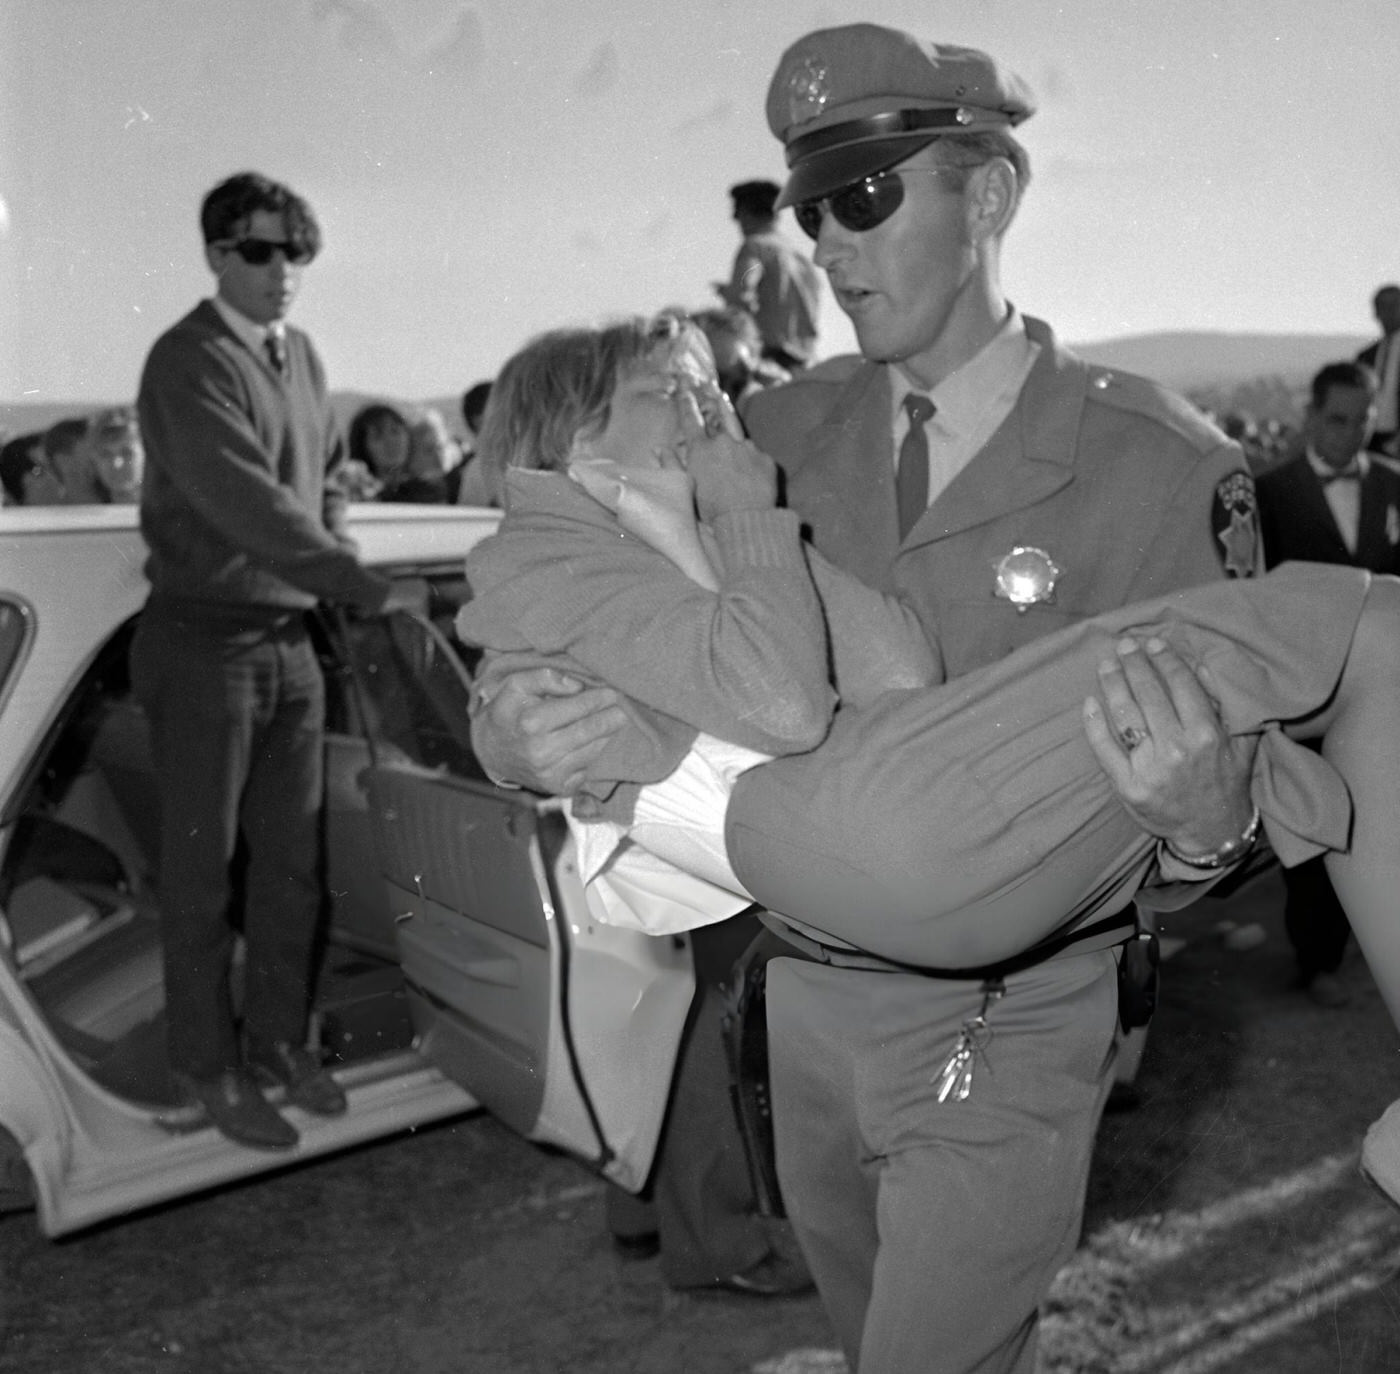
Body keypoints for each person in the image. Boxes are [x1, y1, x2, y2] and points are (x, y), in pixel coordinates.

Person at [469, 28, 1272, 1372]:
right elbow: (560, 602)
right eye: (808, 210)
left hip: (1010, 1005)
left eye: (868, 198)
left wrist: (1207, 826)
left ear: (991, 196)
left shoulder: (1157, 464)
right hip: (805, 1009)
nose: (830, 249)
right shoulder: (758, 439)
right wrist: (511, 734)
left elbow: (1233, 786)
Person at [132, 171, 423, 1153]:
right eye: (259, 250)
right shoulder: (187, 360)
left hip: (288, 647)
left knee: (292, 873)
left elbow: (317, 490)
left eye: (295, 252)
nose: (282, 271)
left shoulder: (298, 358)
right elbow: (247, 502)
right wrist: (355, 582)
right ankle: (205, 1066)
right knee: (199, 875)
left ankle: (278, 1047)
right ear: (217, 254)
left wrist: (335, 549)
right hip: (202, 644)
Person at [1256, 361, 1400, 1009]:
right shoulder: (1268, 493)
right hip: (1305, 697)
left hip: (1389, 693)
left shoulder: (1396, 486)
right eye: (1340, 419)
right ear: (1312, 416)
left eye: (1365, 421)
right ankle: (1317, 958)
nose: (1352, 433)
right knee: (1315, 830)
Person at [713, 179, 821, 371]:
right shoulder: (798, 257)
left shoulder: (754, 248)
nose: (735, 219)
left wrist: (730, 292)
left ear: (746, 212)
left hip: (770, 362)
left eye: (738, 212)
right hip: (806, 363)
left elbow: (743, 289)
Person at [347, 401, 444, 502]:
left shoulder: (431, 492)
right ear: (363, 446)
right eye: (378, 436)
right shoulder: (356, 495)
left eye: (395, 431)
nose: (390, 441)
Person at [1357, 283, 1400, 456]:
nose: (1389, 311)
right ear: (1376, 312)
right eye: (1383, 306)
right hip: (1371, 442)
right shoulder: (1366, 356)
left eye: (1395, 305)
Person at [87, 406, 145, 503]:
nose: (116, 464)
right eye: (105, 454)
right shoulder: (80, 515)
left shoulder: (172, 513)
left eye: (127, 453)